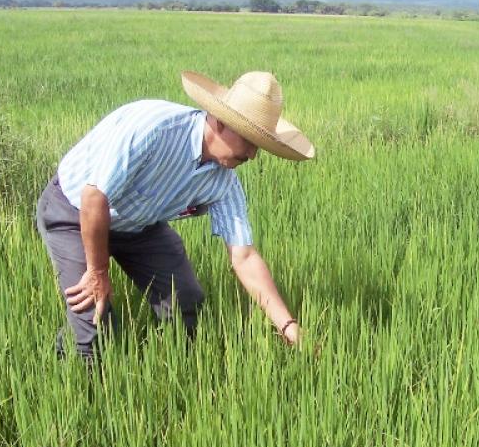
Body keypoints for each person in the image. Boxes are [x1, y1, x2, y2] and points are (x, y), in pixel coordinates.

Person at [35, 70, 315, 360]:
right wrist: (98, 272)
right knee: (94, 320)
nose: (253, 155)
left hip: (139, 225)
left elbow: (244, 256)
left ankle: (173, 373)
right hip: (75, 211)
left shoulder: (224, 181)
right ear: (220, 122)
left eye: (260, 146)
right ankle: (76, 384)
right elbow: (94, 198)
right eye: (249, 140)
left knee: (184, 303)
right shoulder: (154, 130)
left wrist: (289, 327)